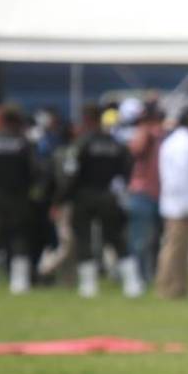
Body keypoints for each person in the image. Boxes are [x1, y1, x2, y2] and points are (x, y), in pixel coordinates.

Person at [63, 103, 139, 299]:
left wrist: (63, 198)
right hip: (109, 196)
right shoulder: (116, 144)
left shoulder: (82, 143)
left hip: (84, 195)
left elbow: (70, 173)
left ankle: (89, 285)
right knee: (116, 238)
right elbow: (127, 171)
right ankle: (132, 283)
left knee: (84, 239)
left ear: (87, 120)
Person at [0, 105, 37, 296]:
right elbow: (34, 171)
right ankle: (19, 282)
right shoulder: (23, 142)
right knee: (19, 237)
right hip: (18, 197)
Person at [155, 108, 188, 299]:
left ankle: (178, 287)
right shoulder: (185, 144)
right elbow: (184, 177)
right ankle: (169, 287)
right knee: (176, 248)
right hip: (181, 205)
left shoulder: (174, 142)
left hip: (175, 202)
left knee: (179, 248)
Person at [127, 101, 164, 285]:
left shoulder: (161, 135)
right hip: (143, 192)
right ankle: (137, 277)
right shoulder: (144, 133)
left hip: (157, 194)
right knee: (140, 240)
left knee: (154, 240)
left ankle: (150, 275)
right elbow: (136, 150)